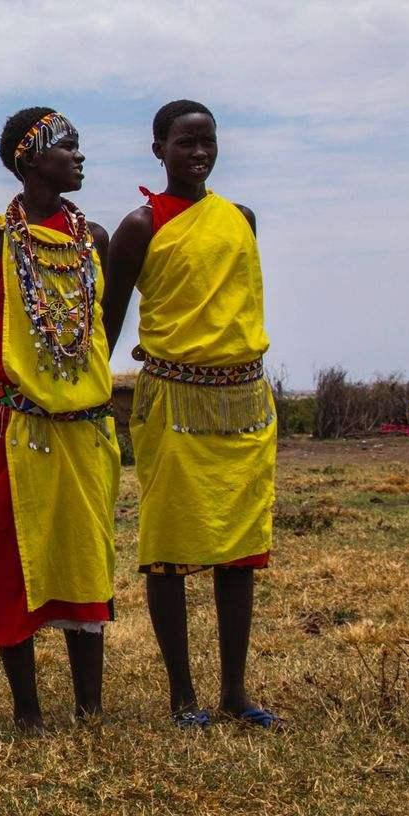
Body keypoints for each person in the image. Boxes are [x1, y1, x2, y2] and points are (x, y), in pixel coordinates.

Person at [0, 107, 119, 733]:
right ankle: (28, 712)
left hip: (84, 429)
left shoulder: (93, 238)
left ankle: (90, 708)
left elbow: (102, 327)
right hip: (12, 431)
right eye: (69, 146)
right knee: (12, 565)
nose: (80, 157)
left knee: (82, 560)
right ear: (30, 156)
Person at [103, 99, 279, 729]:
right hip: (174, 399)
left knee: (238, 550)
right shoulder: (140, 226)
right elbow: (110, 316)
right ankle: (183, 697)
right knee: (171, 547)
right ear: (158, 150)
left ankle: (235, 692)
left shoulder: (240, 218)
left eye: (208, 141)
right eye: (185, 143)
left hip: (245, 401)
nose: (199, 152)